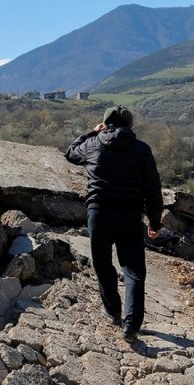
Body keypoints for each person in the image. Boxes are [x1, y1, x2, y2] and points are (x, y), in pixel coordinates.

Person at [64, 106, 163, 343]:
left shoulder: (92, 144)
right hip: (129, 215)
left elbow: (70, 153)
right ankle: (131, 325)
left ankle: (112, 311)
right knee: (133, 270)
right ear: (130, 125)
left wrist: (91, 132)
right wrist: (155, 222)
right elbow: (153, 190)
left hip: (99, 214)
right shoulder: (142, 150)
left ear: (105, 123)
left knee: (102, 263)